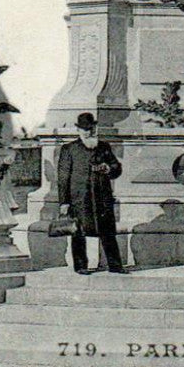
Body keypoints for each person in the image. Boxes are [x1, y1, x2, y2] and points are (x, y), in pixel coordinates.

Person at [57, 113, 125, 275]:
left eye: (90, 128)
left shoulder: (104, 147)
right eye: (84, 129)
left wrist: (108, 168)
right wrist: (64, 202)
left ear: (94, 128)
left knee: (108, 231)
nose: (87, 132)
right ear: (78, 130)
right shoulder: (69, 149)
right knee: (78, 232)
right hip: (79, 199)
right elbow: (63, 177)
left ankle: (115, 265)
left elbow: (117, 167)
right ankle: (81, 266)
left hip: (102, 198)